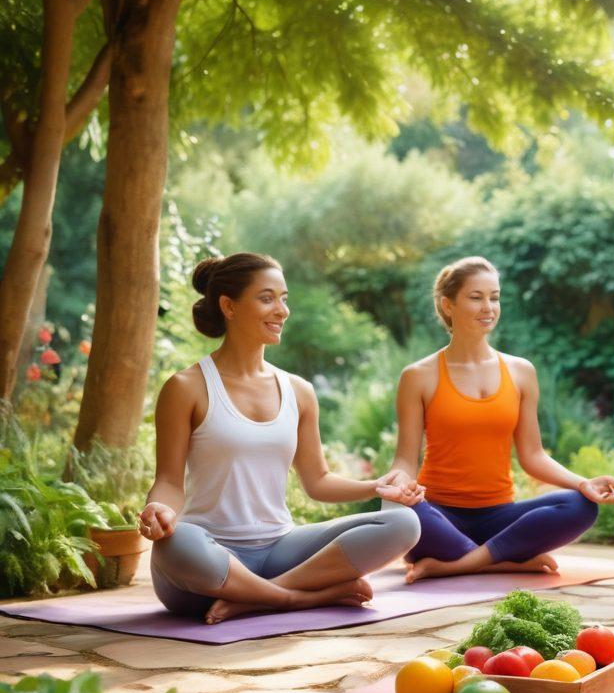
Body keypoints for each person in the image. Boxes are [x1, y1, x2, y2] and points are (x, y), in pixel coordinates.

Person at [138, 253, 422, 625]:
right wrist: (159, 510)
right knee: (177, 542)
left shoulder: (298, 391)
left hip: (280, 553)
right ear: (229, 306)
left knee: (404, 524)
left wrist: (377, 486)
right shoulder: (186, 387)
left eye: (284, 298)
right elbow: (169, 481)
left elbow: (317, 481)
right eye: (267, 298)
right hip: (209, 561)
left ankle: (255, 599)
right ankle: (296, 598)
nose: (282, 310)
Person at [386, 256, 614, 583]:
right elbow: (405, 458)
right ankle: (503, 560)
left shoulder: (520, 371)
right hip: (438, 515)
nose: (488, 307)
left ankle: (455, 564)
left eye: (495, 297)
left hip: (500, 517)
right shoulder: (418, 376)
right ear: (448, 305)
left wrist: (582, 483)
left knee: (581, 505)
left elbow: (533, 455)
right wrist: (399, 486)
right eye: (476, 297)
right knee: (400, 514)